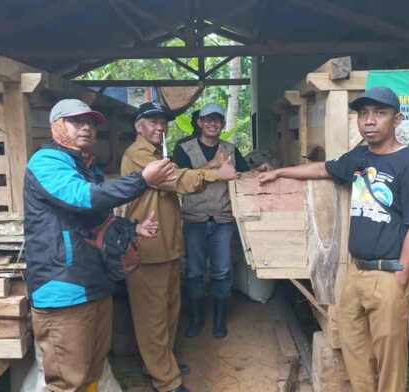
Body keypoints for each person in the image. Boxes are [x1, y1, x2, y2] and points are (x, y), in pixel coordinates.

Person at [258, 87, 409, 392]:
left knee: (389, 353)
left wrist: (401, 278)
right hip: (356, 272)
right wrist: (280, 172)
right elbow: (323, 168)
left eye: (380, 113)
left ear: (397, 119)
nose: (369, 121)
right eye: (363, 113)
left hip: (390, 273)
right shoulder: (360, 156)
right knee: (354, 345)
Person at [24, 99, 174, 392]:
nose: (86, 128)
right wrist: (142, 179)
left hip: (94, 281)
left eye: (91, 123)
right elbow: (84, 198)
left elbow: (97, 220)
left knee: (92, 369)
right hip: (64, 288)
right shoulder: (46, 162)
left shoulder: (86, 166)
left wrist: (135, 229)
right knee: (69, 381)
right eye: (76, 121)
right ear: (56, 126)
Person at [121, 101, 237, 392]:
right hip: (148, 248)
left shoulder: (155, 153)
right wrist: (215, 174)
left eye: (163, 122)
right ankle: (166, 381)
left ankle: (163, 364)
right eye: (152, 122)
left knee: (169, 311)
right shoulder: (138, 155)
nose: (160, 127)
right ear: (138, 126)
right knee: (153, 319)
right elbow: (177, 179)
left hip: (167, 245)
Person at [173, 102, 271, 339]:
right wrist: (215, 164)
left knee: (222, 271)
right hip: (194, 218)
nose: (213, 124)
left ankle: (219, 321)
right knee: (195, 272)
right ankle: (196, 319)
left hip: (222, 219)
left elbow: (241, 175)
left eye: (217, 120)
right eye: (208, 120)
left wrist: (259, 171)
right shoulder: (184, 149)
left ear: (222, 124)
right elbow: (181, 178)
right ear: (199, 123)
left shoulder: (229, 148)